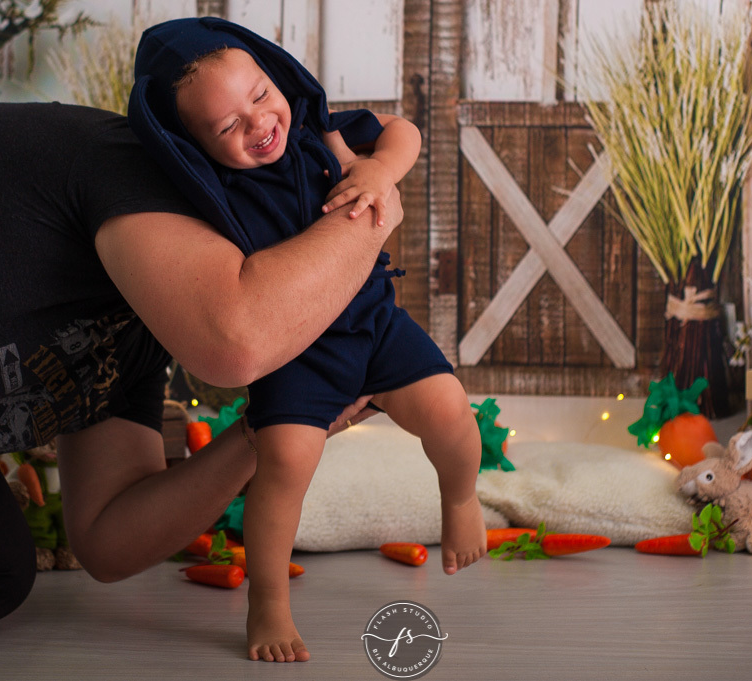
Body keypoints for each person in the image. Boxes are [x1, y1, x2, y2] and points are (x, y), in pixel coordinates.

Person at [0, 101, 385, 637]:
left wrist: (261, 429)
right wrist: (376, 213)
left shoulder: (148, 326)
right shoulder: (129, 164)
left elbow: (108, 541)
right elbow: (238, 339)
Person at [127, 18, 486, 663]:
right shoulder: (207, 194)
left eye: (261, 94)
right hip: (292, 355)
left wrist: (379, 171)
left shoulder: (321, 135)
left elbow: (403, 130)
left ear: (277, 77)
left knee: (451, 412)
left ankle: (459, 496)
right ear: (192, 145)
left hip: (374, 324)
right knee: (284, 467)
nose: (258, 122)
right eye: (228, 126)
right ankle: (267, 599)